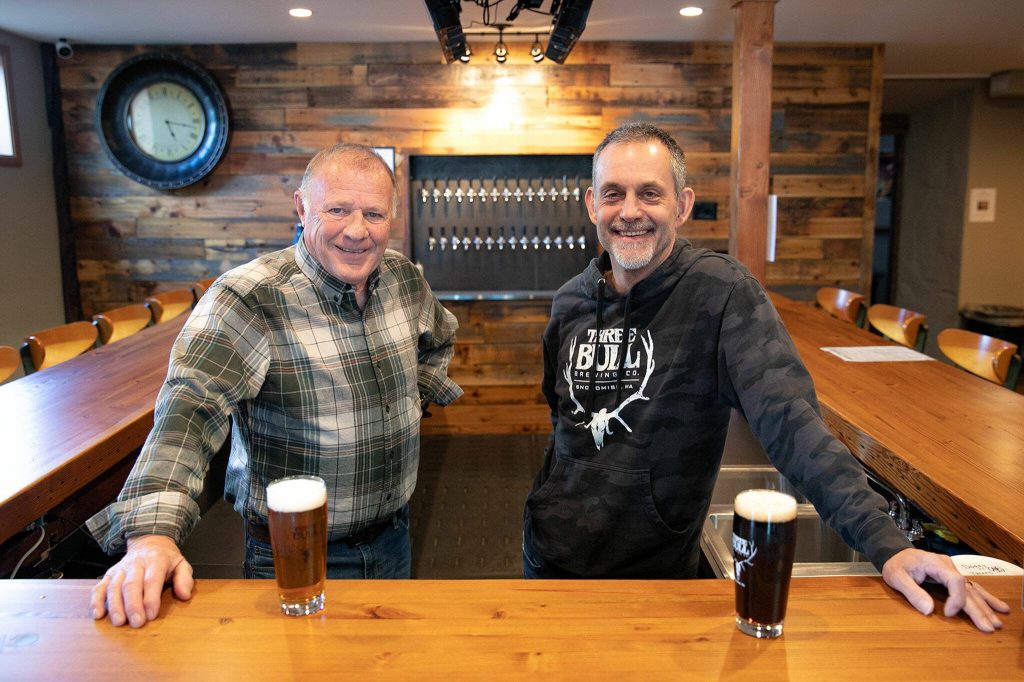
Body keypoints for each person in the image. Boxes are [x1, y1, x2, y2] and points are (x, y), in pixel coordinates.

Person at [522, 122, 1009, 632]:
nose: (629, 212)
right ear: (591, 204)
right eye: (613, 194)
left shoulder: (722, 295)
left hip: (656, 575)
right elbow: (564, 421)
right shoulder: (570, 301)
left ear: (682, 205)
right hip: (551, 559)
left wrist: (887, 543)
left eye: (650, 193)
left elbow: (792, 424)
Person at [88, 143, 462, 628]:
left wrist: (413, 400)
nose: (356, 230)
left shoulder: (404, 280)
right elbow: (188, 411)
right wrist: (151, 535)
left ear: (392, 216)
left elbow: (440, 337)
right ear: (302, 208)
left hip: (394, 537)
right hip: (294, 556)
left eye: (373, 213)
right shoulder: (249, 297)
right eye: (337, 210)